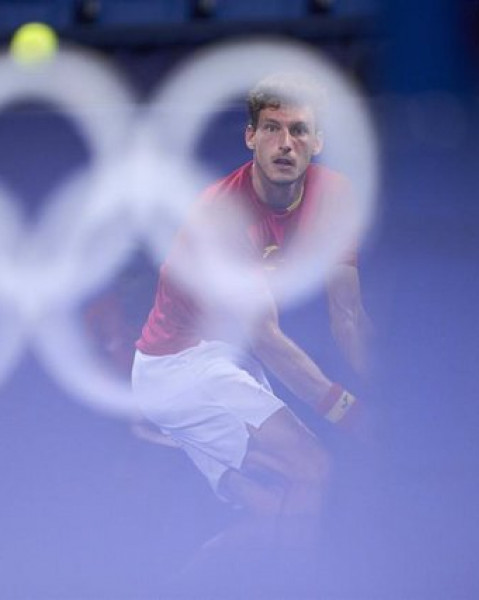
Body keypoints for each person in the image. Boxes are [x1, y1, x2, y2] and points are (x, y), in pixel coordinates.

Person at [131, 73, 371, 590]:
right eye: (272, 128)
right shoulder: (224, 214)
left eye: (300, 130)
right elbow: (267, 338)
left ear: (319, 141)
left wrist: (386, 391)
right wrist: (351, 413)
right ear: (250, 137)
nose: (286, 144)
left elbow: (348, 318)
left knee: (274, 511)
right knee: (311, 468)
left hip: (229, 358)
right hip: (180, 367)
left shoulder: (336, 198)